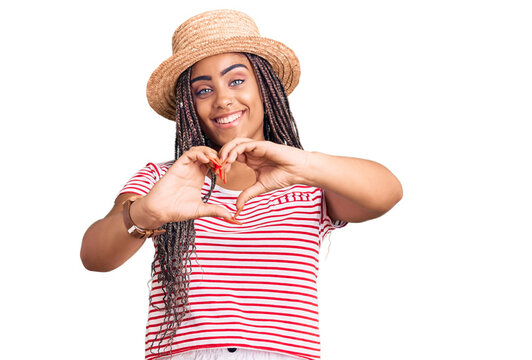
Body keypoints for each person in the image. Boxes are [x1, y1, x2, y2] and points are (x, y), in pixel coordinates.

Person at [79, 9, 402, 360]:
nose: (222, 99)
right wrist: (146, 213)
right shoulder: (165, 181)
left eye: (236, 81)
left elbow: (387, 193)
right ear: (190, 106)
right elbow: (94, 256)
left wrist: (303, 163)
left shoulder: (307, 180)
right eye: (203, 90)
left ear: (265, 86)